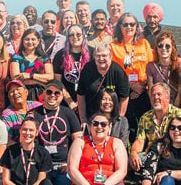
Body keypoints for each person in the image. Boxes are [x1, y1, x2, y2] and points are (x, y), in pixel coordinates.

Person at [66, 113, 134, 185]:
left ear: (110, 127)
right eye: (95, 123)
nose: (99, 127)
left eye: (103, 124)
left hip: (111, 184)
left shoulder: (117, 143)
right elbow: (72, 169)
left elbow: (122, 170)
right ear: (90, 126)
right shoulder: (80, 142)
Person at [32, 80, 82, 185]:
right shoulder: (34, 113)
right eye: (49, 92)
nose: (52, 95)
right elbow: (27, 141)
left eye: (57, 93)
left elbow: (78, 141)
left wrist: (70, 163)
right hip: (42, 166)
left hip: (63, 165)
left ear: (62, 95)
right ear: (44, 93)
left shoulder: (68, 113)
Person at [111, 13, 153, 141]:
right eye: (125, 24)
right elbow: (114, 72)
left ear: (136, 26)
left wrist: (141, 86)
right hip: (124, 93)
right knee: (126, 127)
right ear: (120, 27)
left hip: (143, 90)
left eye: (132, 24)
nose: (129, 27)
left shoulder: (144, 43)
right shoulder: (113, 46)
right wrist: (131, 86)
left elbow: (151, 66)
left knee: (144, 127)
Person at [130, 82, 181, 171]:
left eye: (159, 94)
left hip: (172, 155)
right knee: (131, 160)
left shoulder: (178, 114)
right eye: (153, 95)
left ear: (168, 97)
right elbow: (140, 140)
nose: (155, 97)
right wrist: (133, 152)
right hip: (152, 155)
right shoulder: (146, 117)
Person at [77, 45, 130, 127]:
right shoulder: (87, 69)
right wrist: (83, 120)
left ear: (110, 57)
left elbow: (124, 97)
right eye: (98, 56)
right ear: (94, 57)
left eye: (104, 55)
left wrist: (118, 120)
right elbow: (81, 95)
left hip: (112, 117)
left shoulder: (118, 71)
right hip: (91, 115)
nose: (101, 59)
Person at [141, 116, 181, 185]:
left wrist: (169, 172)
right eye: (172, 127)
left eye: (180, 128)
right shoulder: (160, 145)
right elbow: (148, 170)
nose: (176, 131)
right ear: (168, 130)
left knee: (168, 175)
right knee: (168, 179)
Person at [53, 25, 91, 110]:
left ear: (83, 36)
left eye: (78, 34)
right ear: (68, 38)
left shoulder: (92, 52)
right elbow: (58, 82)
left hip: (89, 101)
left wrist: (81, 102)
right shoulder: (60, 55)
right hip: (66, 103)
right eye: (71, 35)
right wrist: (70, 101)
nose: (75, 37)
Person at [9, 28, 54, 100]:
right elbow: (16, 79)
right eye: (27, 39)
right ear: (22, 40)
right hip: (22, 95)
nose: (30, 42)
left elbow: (50, 77)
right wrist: (40, 82)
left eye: (33, 39)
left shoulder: (44, 58)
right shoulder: (16, 57)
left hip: (42, 95)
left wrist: (30, 75)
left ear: (38, 41)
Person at [146, 32, 180, 105]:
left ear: (172, 48)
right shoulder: (151, 66)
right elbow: (151, 91)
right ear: (156, 48)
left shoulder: (179, 64)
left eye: (167, 46)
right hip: (158, 102)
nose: (164, 48)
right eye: (160, 46)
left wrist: (174, 108)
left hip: (177, 103)